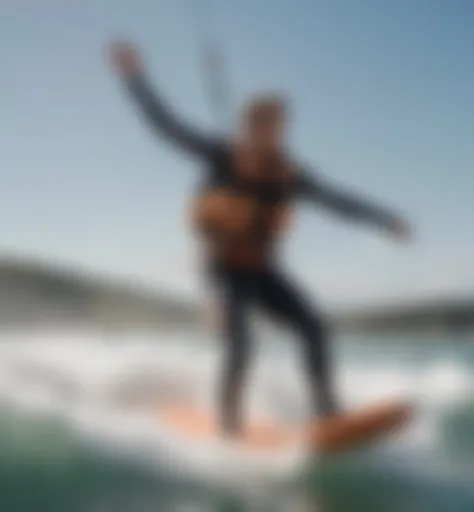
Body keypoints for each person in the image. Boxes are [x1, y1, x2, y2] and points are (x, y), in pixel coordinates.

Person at [109, 40, 412, 437]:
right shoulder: (221, 156)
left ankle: (325, 410)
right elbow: (167, 127)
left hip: (264, 271)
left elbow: (337, 200)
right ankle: (229, 423)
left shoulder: (288, 175)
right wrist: (135, 79)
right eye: (264, 124)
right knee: (242, 346)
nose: (273, 132)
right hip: (223, 271)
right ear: (247, 126)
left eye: (279, 125)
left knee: (314, 327)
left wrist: (384, 219)